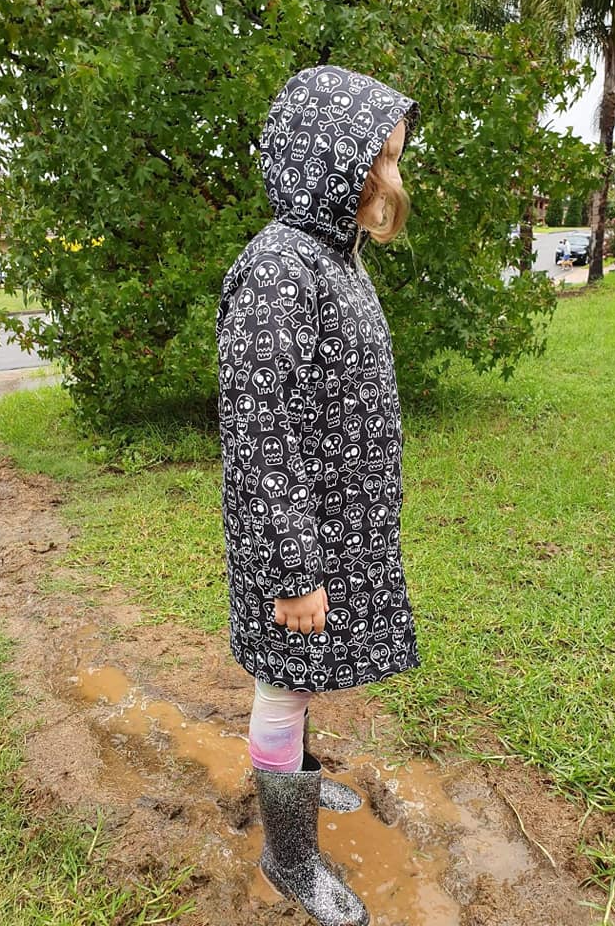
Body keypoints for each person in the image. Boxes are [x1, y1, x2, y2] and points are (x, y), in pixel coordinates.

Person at [215, 64, 422, 926]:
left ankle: (295, 787)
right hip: (295, 539)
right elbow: (260, 435)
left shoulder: (332, 258)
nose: (394, 179)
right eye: (383, 160)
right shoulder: (277, 270)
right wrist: (294, 572)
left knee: (300, 679)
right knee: (284, 682)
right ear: (330, 162)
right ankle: (287, 855)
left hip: (336, 522)